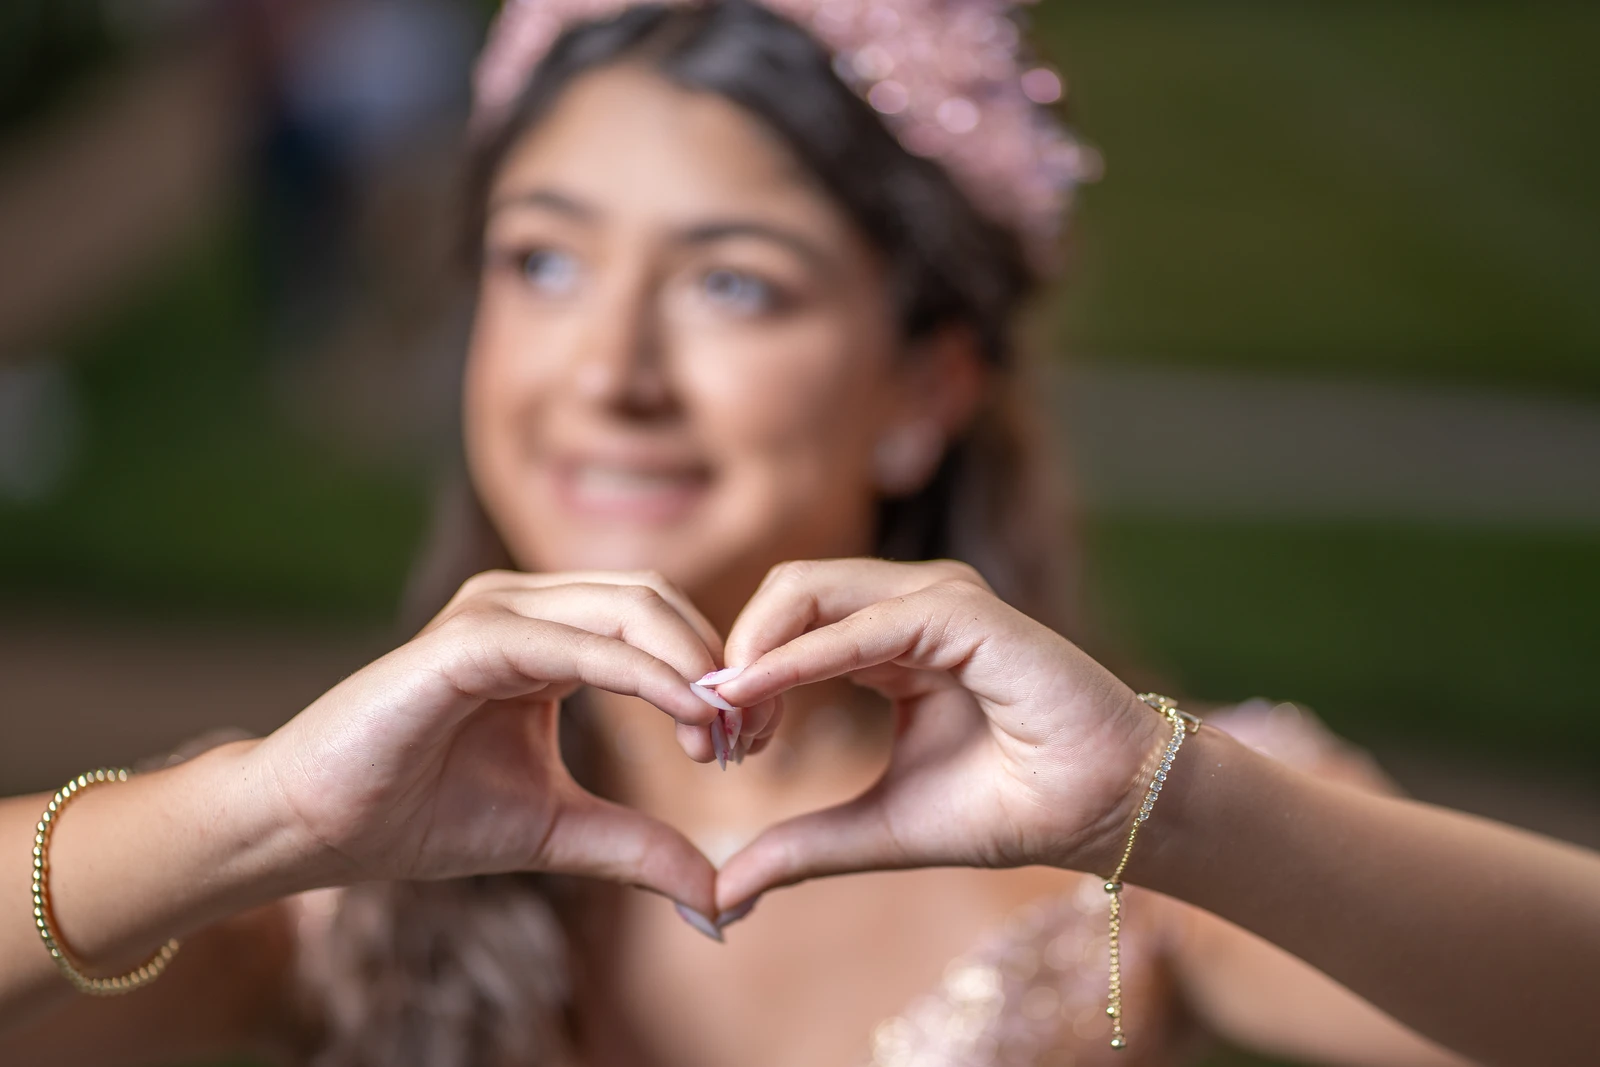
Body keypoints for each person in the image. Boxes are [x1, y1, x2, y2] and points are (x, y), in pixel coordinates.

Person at [3, 3, 1597, 1065]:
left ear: (923, 387)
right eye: (543, 263)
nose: (607, 375)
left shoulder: (1149, 855)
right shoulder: (332, 869)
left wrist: (1166, 810)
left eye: (733, 282)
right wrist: (259, 814)